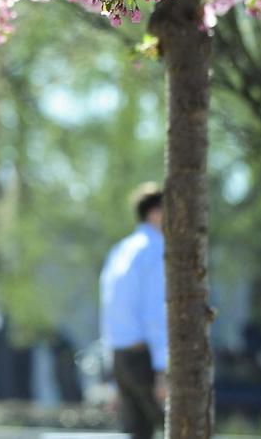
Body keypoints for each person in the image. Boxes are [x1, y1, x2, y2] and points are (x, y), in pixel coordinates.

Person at [99, 183, 167, 439]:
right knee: (180, 425)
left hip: (121, 357)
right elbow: (154, 312)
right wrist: (163, 370)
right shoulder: (156, 250)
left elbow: (107, 310)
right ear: (155, 213)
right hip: (144, 357)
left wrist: (112, 375)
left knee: (138, 433)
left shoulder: (120, 250)